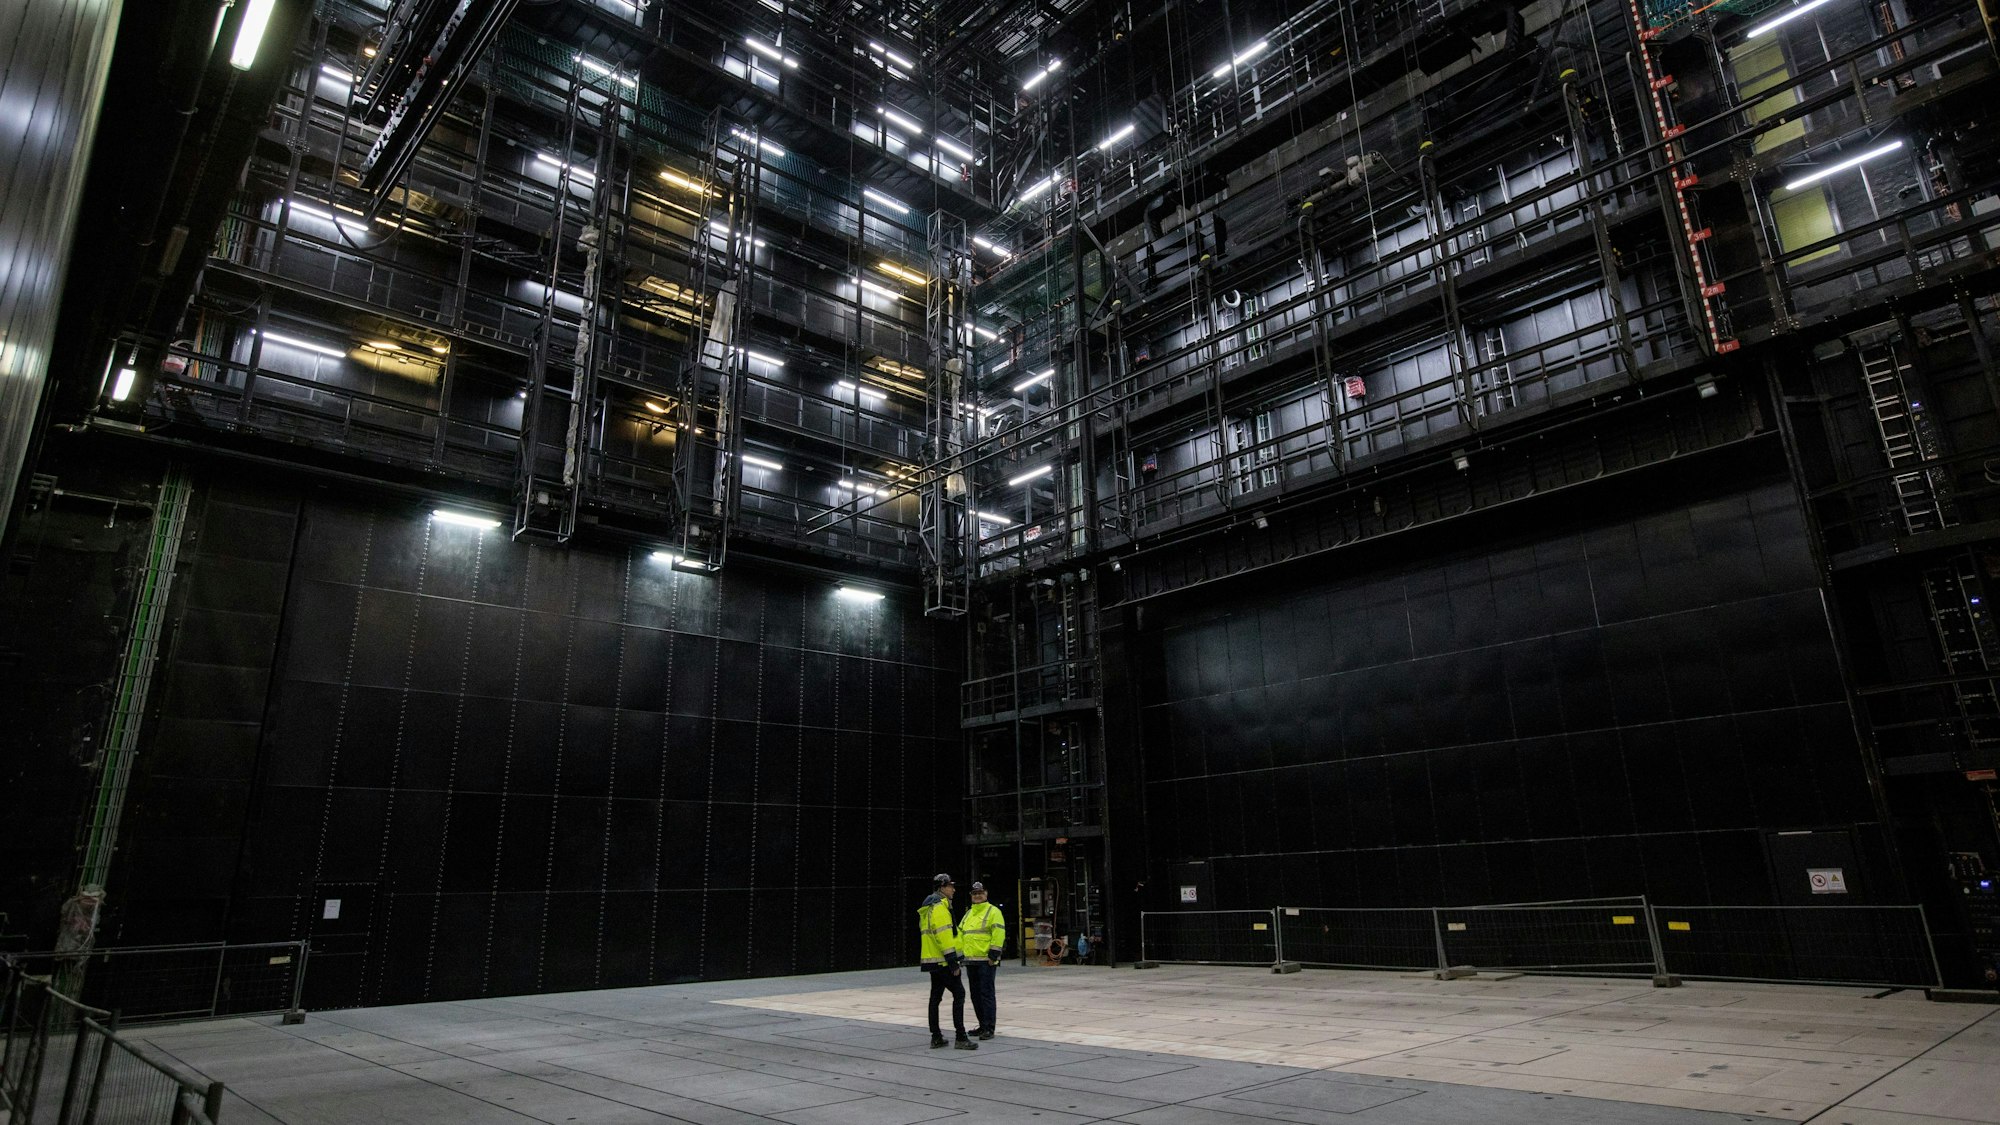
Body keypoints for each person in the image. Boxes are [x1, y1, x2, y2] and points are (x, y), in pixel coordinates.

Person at [916, 873, 977, 1050]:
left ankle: (936, 1036)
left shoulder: (927, 908)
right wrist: (952, 961)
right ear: (942, 887)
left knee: (935, 997)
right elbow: (943, 936)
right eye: (950, 886)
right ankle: (960, 1037)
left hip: (933, 961)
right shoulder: (939, 908)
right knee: (959, 994)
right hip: (943, 961)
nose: (954, 889)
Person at [957, 882, 1006, 1040]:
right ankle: (982, 1025)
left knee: (986, 994)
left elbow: (998, 933)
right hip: (971, 961)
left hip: (986, 961)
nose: (977, 896)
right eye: (974, 893)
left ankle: (989, 1028)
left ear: (986, 894)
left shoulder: (993, 911)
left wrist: (993, 955)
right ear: (971, 895)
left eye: (980, 893)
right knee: (975, 995)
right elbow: (960, 934)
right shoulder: (968, 913)